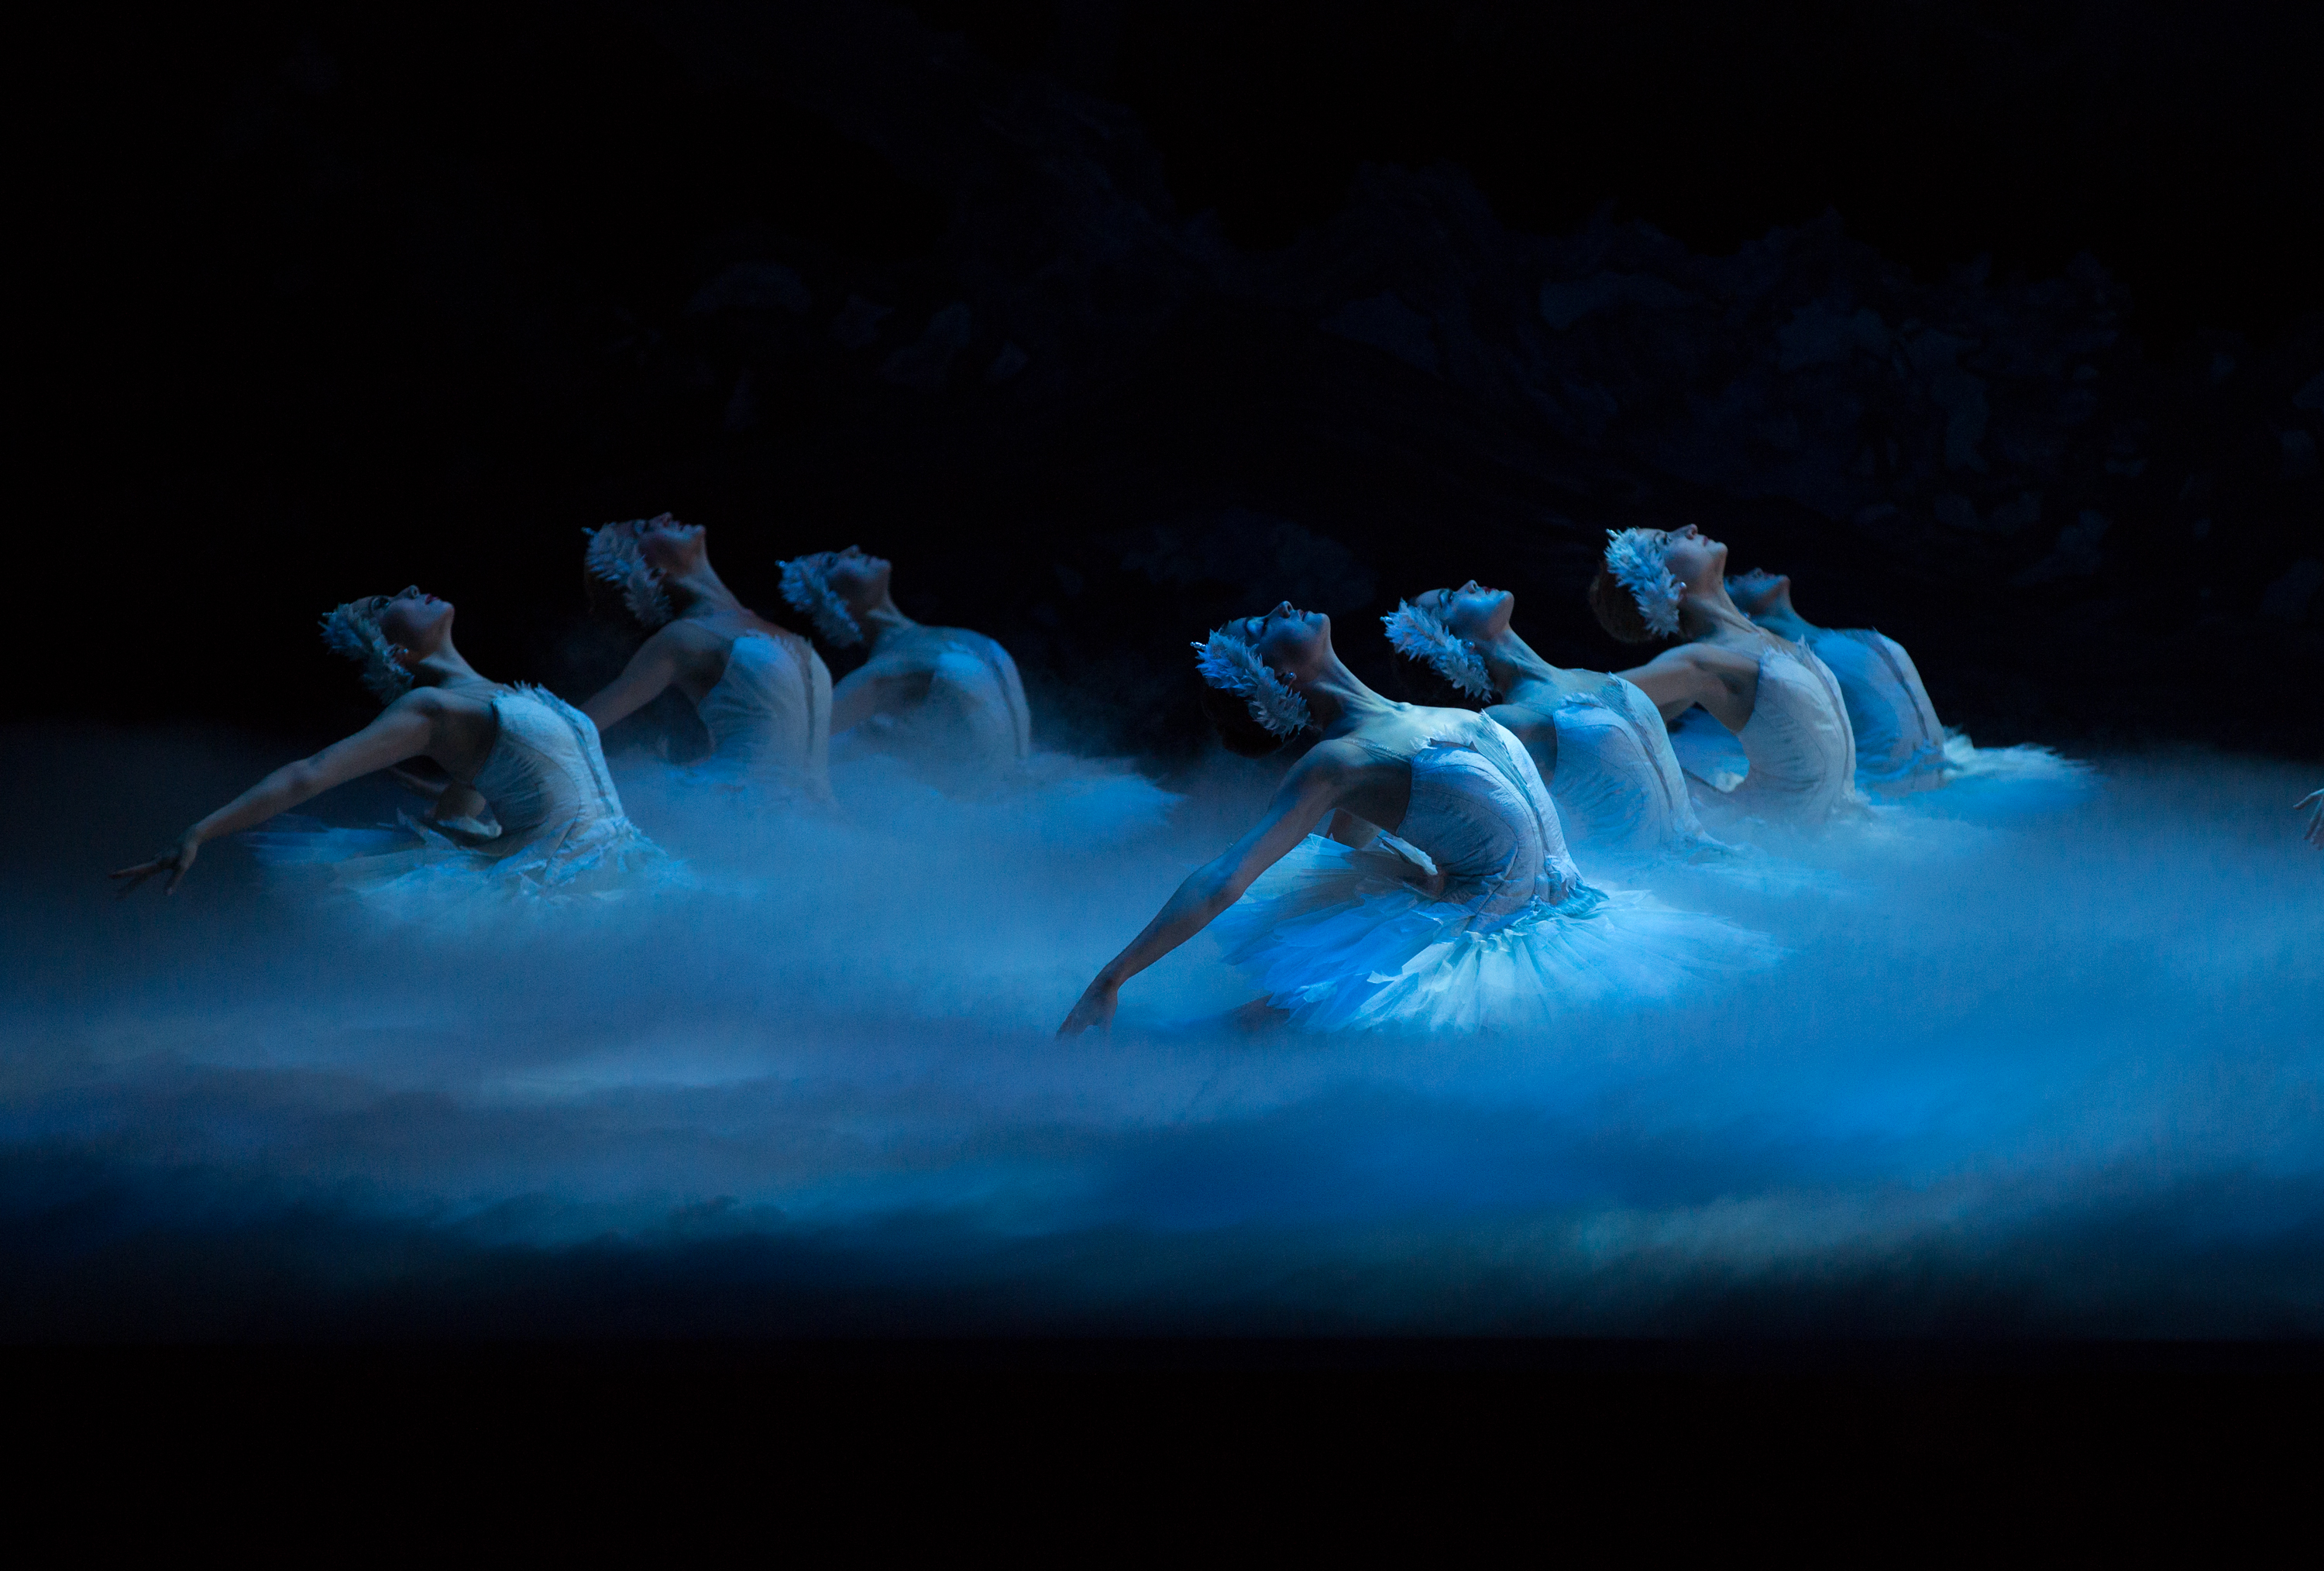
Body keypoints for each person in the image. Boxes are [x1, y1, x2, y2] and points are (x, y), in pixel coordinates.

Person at [1057, 601, 1776, 1034]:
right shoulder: (1338, 761)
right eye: (1260, 624)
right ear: (1272, 680)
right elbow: (1225, 877)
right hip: (1498, 949)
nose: (1278, 606)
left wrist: (1401, 873)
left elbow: (1357, 847)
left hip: (1580, 916)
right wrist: (1112, 976)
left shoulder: (1414, 714)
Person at [112, 586, 668, 910]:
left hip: (626, 859)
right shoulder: (431, 708)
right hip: (570, 881)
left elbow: (493, 780)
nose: (410, 589)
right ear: (396, 653)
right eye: (389, 601)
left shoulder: (501, 691)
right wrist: (201, 831)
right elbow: (311, 773)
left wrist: (455, 793)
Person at [1384, 580, 1721, 858]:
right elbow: (1451, 802)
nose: (1469, 584)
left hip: (1710, 852)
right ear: (1453, 646)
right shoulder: (1508, 721)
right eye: (1450, 599)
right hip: (1657, 880)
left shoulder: (1584, 675)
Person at [1726, 565, 2091, 807]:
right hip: (1892, 789)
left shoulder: (1827, 635)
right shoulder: (1772, 653)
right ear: (1735, 610)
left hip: (1941, 775)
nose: (1753, 571)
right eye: (1736, 578)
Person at [1587, 526, 1862, 824]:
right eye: (1665, 541)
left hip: (1846, 822)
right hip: (1785, 835)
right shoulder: (1699, 661)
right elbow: (1591, 699)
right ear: (1670, 587)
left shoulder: (1755, 635)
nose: (1689, 528)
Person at [578, 513, 832, 803]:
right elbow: (573, 726)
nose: (665, 516)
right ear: (646, 571)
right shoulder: (681, 639)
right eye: (643, 528)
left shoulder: (757, 623)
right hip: (738, 814)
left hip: (815, 819)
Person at [781, 545, 1028, 786]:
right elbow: (804, 753)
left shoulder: (955, 635)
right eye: (832, 562)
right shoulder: (880, 671)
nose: (853, 549)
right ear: (834, 600)